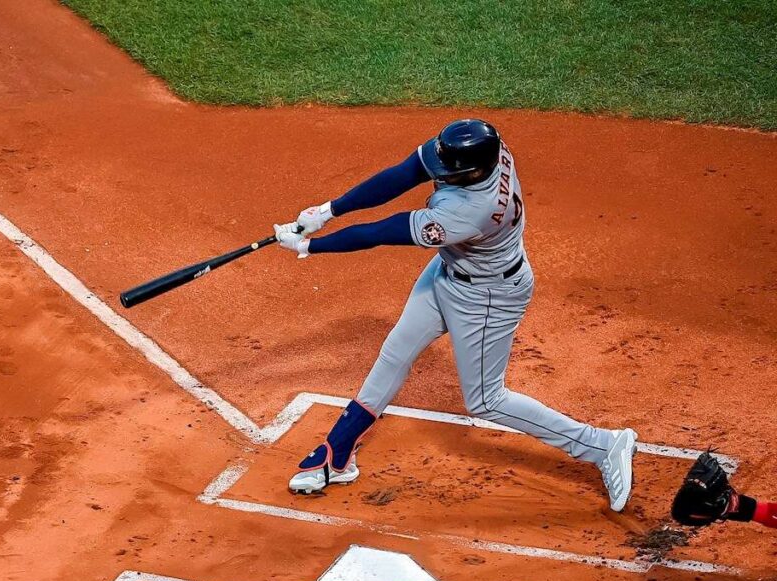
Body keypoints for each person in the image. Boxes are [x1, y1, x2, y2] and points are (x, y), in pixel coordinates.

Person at [273, 119, 638, 512]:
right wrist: (329, 210)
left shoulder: (471, 211)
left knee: (486, 400)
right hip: (450, 271)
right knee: (396, 350)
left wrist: (310, 246)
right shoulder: (486, 148)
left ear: (473, 172)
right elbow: (407, 172)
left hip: (487, 296)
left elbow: (382, 231)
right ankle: (338, 455)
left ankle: (602, 445)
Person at [672, 450, 777, 528]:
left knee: (756, 511)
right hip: (741, 509)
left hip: (740, 510)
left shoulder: (732, 507)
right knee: (756, 510)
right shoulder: (733, 506)